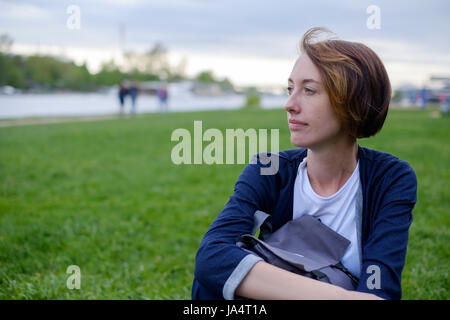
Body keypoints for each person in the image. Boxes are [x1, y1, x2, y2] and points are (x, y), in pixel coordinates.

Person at [192, 27, 417, 300]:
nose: (289, 104)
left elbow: (380, 289)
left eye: (309, 90)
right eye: (290, 89)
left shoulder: (389, 178)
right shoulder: (269, 168)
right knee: (211, 287)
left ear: (354, 102)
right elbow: (213, 256)